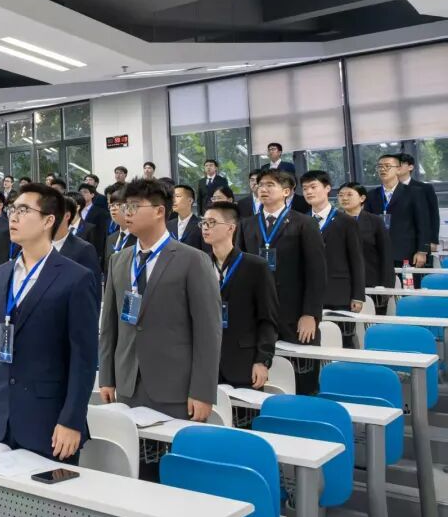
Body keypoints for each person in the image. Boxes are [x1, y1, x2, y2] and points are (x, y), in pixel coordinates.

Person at [0, 183, 96, 463]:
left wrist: (72, 419)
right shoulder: (0, 274)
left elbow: (84, 359)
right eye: (13, 209)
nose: (13, 217)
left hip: (49, 422)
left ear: (48, 220)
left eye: (24, 210)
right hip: (0, 416)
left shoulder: (76, 277)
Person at [99, 178, 220, 425]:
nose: (126, 212)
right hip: (127, 383)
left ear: (159, 211)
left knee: (176, 448)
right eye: (124, 206)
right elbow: (109, 326)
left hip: (176, 387)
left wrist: (202, 391)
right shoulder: (118, 260)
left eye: (134, 206)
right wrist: (107, 377)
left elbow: (208, 331)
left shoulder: (193, 260)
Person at [237, 169, 326, 394]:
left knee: (302, 378)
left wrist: (310, 313)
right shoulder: (247, 224)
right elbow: (240, 269)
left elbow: (316, 272)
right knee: (262, 380)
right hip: (259, 313)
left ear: (286, 192)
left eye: (270, 185)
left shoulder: (304, 223)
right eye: (260, 185)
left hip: (295, 313)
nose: (263, 189)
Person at [200, 202, 278, 389]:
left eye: (211, 222)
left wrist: (262, 360)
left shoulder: (256, 266)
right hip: (205, 361)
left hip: (243, 360)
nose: (205, 227)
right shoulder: (199, 264)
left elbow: (268, 318)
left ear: (230, 228)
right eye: (203, 222)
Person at [300, 171, 364, 347]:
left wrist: (358, 295)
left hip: (338, 293)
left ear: (327, 188)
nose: (308, 192)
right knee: (312, 343)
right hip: (308, 295)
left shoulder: (346, 221)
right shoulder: (300, 221)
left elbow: (356, 260)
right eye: (305, 188)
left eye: (313, 187)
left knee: (343, 341)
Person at [364, 153, 431, 281]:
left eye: (387, 166)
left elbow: (423, 223)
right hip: (378, 254)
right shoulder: (372, 195)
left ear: (398, 169)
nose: (383, 169)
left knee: (408, 288)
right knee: (382, 290)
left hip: (407, 253)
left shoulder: (414, 193)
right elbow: (367, 224)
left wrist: (422, 251)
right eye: (380, 166)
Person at [339, 182, 394, 311]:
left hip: (371, 281)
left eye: (349, 194)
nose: (344, 198)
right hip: (342, 283)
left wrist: (386, 286)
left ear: (362, 198)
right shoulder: (334, 220)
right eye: (341, 195)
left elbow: (386, 254)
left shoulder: (375, 221)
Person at [398, 153, 441, 255]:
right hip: (396, 240)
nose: (396, 167)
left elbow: (434, 215)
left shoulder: (425, 189)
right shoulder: (387, 190)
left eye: (400, 164)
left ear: (410, 167)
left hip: (419, 240)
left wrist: (433, 240)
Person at [103, 183, 135, 274]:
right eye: (111, 205)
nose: (113, 208)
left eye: (118, 204)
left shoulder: (141, 237)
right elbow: (107, 270)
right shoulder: (111, 238)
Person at [167, 185, 207, 254]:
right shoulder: (169, 225)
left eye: (177, 196)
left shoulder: (201, 225)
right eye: (172, 197)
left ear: (190, 200)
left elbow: (206, 252)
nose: (173, 200)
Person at [75, 182, 109, 259]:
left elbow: (102, 234)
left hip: (93, 249)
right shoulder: (76, 211)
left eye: (85, 192)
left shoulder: (101, 212)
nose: (82, 194)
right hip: (77, 250)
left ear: (92, 195)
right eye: (80, 192)